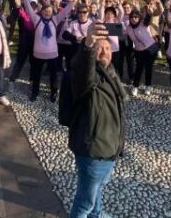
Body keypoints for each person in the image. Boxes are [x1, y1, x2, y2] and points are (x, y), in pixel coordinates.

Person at [68, 22, 126, 218]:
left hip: (108, 148)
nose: (105, 52)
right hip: (94, 151)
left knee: (95, 190)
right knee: (84, 204)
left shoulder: (110, 73)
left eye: (108, 48)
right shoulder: (89, 78)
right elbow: (83, 69)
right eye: (100, 48)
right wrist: (88, 44)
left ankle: (97, 215)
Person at [24, 0, 75, 102]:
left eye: (50, 11)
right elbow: (29, 9)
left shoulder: (55, 20)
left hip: (52, 54)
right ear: (42, 11)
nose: (48, 13)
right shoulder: (36, 19)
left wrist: (72, 2)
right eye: (46, 11)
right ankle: (35, 92)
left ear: (52, 13)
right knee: (36, 75)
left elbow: (64, 12)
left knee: (53, 75)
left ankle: (53, 93)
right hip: (38, 54)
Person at [125, 6, 159, 97]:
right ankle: (135, 86)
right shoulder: (128, 28)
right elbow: (129, 40)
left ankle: (148, 86)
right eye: (132, 17)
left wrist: (149, 13)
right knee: (139, 69)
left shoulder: (143, 23)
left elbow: (148, 19)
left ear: (139, 17)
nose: (133, 19)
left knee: (148, 68)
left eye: (136, 17)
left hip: (150, 49)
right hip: (139, 51)